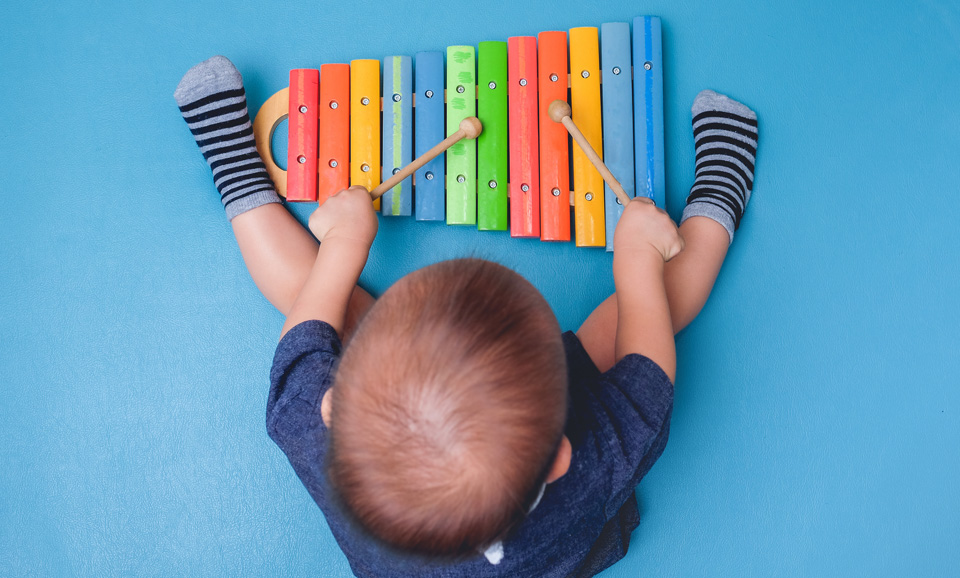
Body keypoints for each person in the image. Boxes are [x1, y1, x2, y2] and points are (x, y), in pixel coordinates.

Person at [175, 55, 758, 577]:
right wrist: (636, 255)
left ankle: (234, 169)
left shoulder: (313, 429)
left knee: (321, 295)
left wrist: (344, 246)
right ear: (559, 453)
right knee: (641, 308)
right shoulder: (597, 462)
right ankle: (719, 198)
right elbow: (649, 365)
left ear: (333, 403)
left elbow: (305, 333)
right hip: (564, 550)